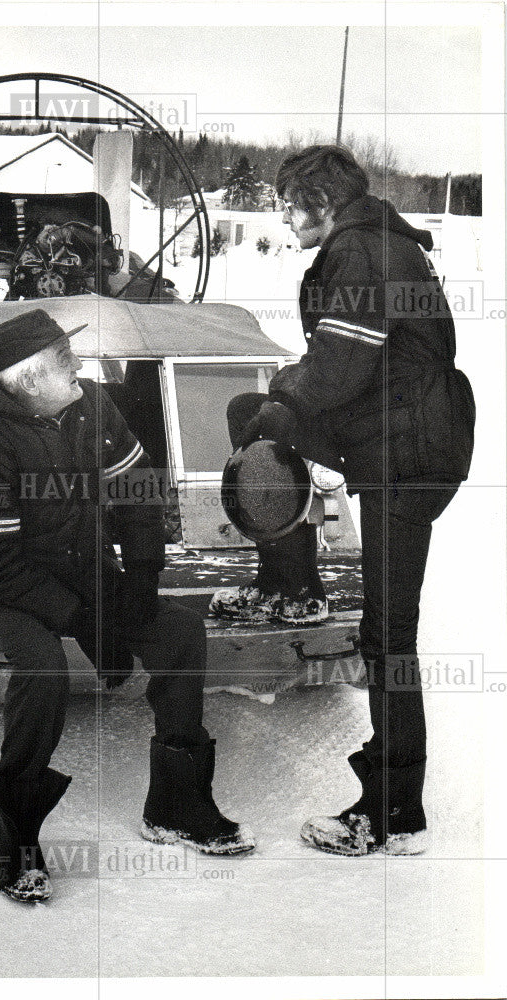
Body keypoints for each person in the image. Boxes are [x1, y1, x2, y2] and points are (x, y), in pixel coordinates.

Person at [0, 308, 255, 903]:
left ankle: (177, 806)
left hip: (78, 563)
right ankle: (18, 835)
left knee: (178, 634)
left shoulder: (91, 407)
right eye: (64, 362)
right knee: (41, 663)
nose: (78, 368)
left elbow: (138, 493)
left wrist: (138, 583)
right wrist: (85, 621)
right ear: (29, 380)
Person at [214, 146, 475, 855]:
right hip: (402, 436)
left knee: (390, 639)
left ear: (321, 201)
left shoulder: (361, 251)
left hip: (407, 454)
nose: (283, 215)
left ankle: (395, 814)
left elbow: (336, 368)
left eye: (289, 202)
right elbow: (349, 366)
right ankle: (291, 584)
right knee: (254, 410)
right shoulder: (378, 241)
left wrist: (284, 392)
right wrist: (280, 398)